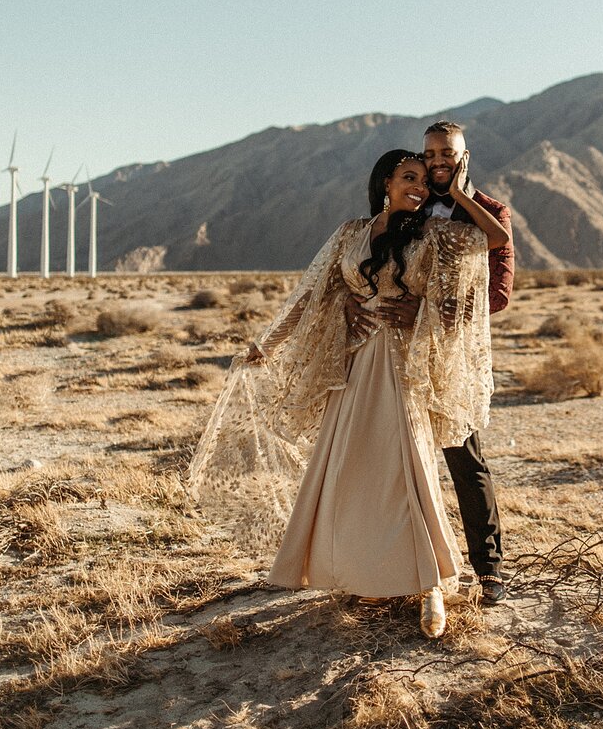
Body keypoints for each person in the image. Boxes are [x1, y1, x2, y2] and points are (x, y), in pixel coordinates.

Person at [189, 148, 510, 639]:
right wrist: (266, 345)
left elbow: (493, 239)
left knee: (410, 469)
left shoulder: (438, 235)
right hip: (356, 364)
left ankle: (431, 585)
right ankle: (369, 573)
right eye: (409, 177)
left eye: (425, 179)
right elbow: (310, 293)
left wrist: (420, 308)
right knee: (355, 470)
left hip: (404, 367)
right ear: (385, 182)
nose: (420, 187)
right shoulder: (348, 233)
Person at [345, 121, 514, 603]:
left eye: (447, 154)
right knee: (395, 463)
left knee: (465, 460)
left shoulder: (490, 213)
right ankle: (401, 569)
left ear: (464, 155)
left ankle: (489, 569)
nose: (437, 163)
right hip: (391, 356)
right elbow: (371, 265)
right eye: (430, 154)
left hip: (448, 357)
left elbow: (496, 295)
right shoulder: (411, 207)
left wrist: (429, 310)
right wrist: (354, 302)